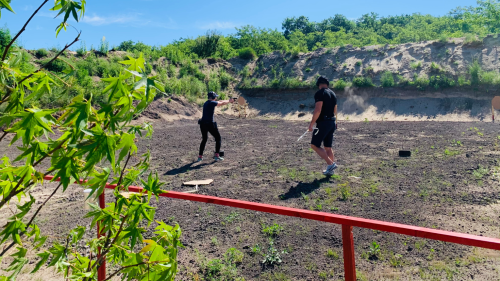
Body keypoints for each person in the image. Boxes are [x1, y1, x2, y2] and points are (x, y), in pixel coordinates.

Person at [308, 76, 338, 176]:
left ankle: (331, 164)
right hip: (332, 122)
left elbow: (318, 110)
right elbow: (335, 110)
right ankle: (330, 170)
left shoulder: (320, 93)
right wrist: (336, 122)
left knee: (314, 145)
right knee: (327, 147)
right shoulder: (333, 93)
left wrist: (311, 124)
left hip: (323, 123)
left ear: (319, 85)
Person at [198, 91, 234, 162]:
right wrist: (230, 101)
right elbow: (222, 103)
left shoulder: (206, 103)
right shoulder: (212, 103)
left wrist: (229, 100)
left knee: (204, 139)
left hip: (202, 124)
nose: (216, 98)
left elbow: (220, 101)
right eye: (215, 97)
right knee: (218, 138)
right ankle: (217, 156)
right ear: (213, 97)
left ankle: (200, 156)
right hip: (210, 124)